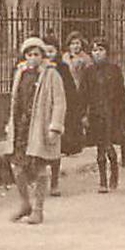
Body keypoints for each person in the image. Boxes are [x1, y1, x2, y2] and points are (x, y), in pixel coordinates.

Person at [5, 37, 66, 224]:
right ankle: (25, 203)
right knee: (17, 166)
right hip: (21, 126)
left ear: (43, 56)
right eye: (29, 54)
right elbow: (15, 101)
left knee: (40, 167)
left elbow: (60, 103)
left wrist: (55, 127)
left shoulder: (51, 75)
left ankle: (38, 209)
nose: (32, 58)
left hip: (39, 127)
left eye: (36, 54)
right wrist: (10, 123)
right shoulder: (20, 73)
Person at [83, 36, 125, 193]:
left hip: (113, 113)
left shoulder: (114, 70)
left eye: (101, 50)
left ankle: (114, 170)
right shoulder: (88, 72)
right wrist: (83, 114)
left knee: (109, 144)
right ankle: (102, 180)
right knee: (100, 147)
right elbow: (83, 94)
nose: (98, 54)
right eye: (94, 50)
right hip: (96, 113)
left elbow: (121, 93)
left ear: (107, 52)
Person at [44, 37, 84, 197]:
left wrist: (72, 115)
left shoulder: (62, 68)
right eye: (46, 51)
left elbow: (70, 93)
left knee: (55, 149)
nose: (49, 54)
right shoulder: (39, 68)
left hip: (57, 114)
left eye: (52, 51)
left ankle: (54, 182)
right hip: (41, 114)